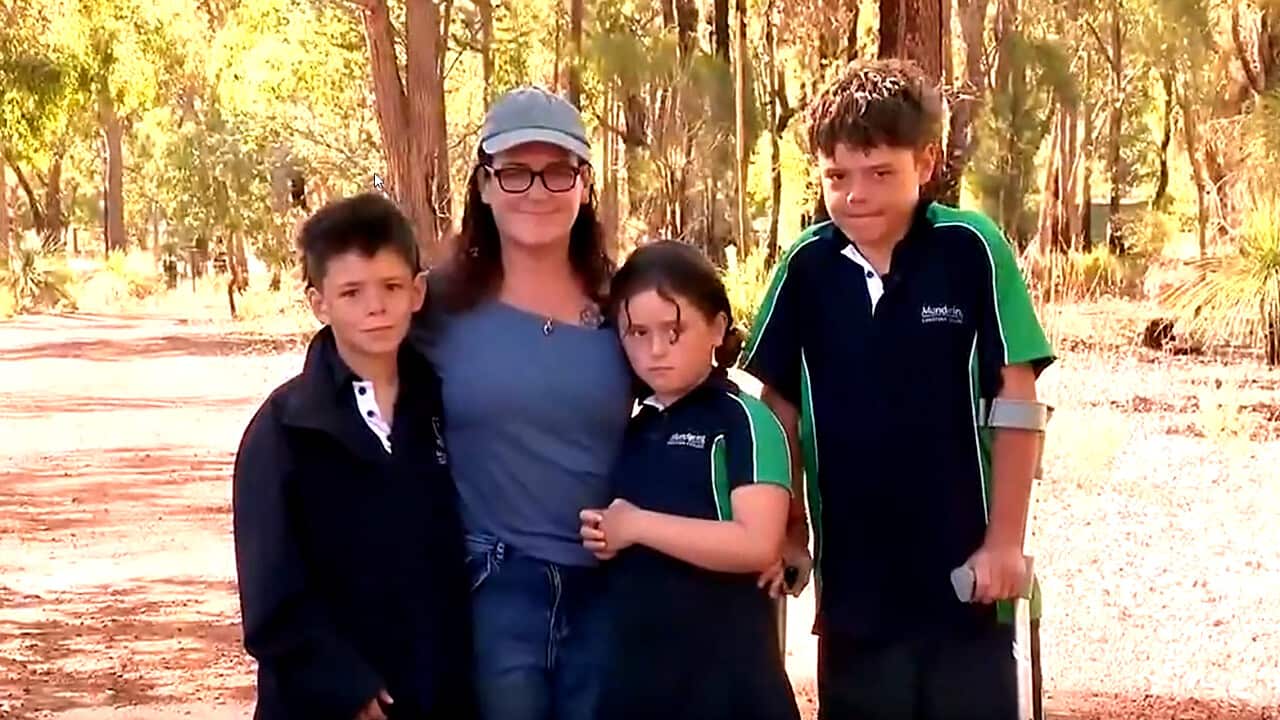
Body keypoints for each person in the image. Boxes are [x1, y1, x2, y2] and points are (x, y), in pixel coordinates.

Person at [743, 59, 1055, 720]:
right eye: (837, 176)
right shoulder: (806, 267)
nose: (857, 194)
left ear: (927, 161)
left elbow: (1018, 398)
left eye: (881, 172)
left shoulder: (970, 249)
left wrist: (1004, 542)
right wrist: (791, 530)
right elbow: (778, 412)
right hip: (854, 597)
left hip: (967, 588)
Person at [410, 86, 633, 720]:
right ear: (483, 185)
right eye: (514, 172)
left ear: (584, 184)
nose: (537, 190)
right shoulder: (435, 306)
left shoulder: (626, 305)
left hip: (607, 587)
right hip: (491, 588)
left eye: (558, 171)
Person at [232, 194, 472, 720]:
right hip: (323, 704)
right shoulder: (285, 428)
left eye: (391, 287)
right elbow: (271, 591)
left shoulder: (442, 408)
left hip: (435, 691)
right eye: (351, 292)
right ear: (319, 303)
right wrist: (342, 684)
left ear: (417, 292)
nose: (375, 307)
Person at [579, 241, 800, 720]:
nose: (655, 350)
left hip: (728, 684)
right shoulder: (634, 427)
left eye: (674, 330)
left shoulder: (743, 420)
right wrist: (607, 534)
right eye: (638, 332)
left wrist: (637, 526)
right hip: (639, 683)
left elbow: (757, 543)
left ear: (717, 327)